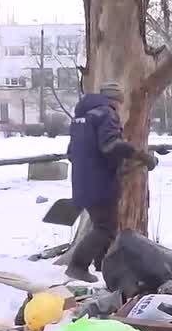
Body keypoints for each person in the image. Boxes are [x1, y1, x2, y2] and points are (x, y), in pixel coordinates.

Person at [66, 82, 158, 283]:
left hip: (82, 181)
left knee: (102, 224)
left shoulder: (81, 118)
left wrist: (111, 166)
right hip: (100, 183)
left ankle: (102, 264)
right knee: (105, 227)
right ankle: (78, 265)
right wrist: (139, 154)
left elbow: (72, 153)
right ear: (115, 100)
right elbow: (110, 145)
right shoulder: (106, 114)